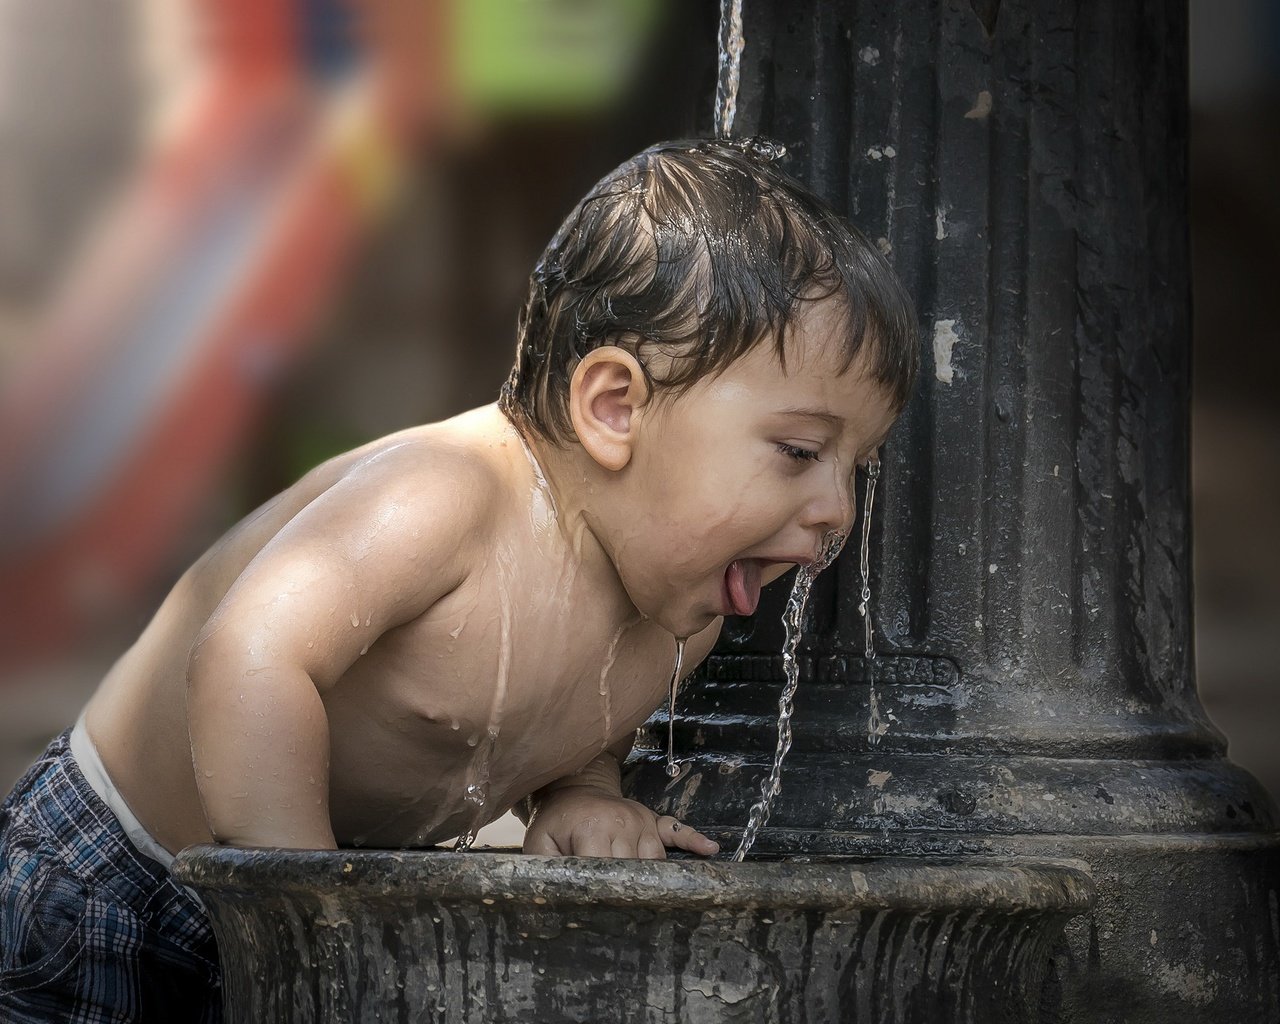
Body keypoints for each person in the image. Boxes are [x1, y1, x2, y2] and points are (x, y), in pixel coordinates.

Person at [0, 137, 918, 1021]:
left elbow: (575, 719)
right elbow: (250, 654)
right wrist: (305, 914)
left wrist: (583, 793)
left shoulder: (680, 619)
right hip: (109, 877)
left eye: (856, 470)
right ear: (613, 408)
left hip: (290, 899)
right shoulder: (448, 498)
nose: (836, 508)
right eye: (799, 451)